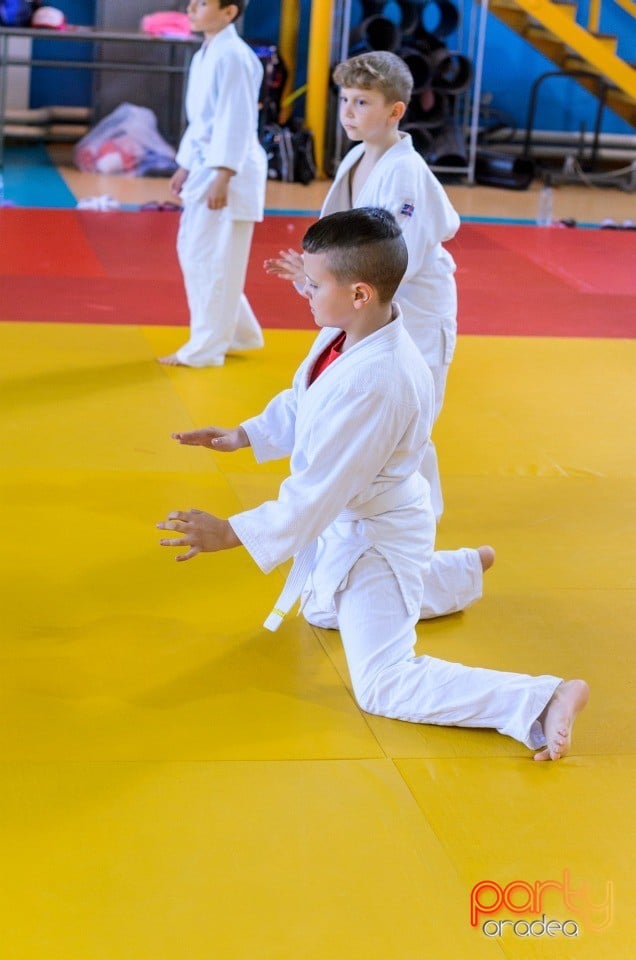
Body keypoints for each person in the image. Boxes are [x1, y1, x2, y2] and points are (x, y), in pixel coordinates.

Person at [157, 208, 588, 761]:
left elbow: (318, 492)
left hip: (378, 535)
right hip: (357, 520)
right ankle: (453, 573)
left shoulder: (379, 381)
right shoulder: (345, 335)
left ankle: (541, 697)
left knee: (382, 684)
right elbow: (305, 402)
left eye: (313, 284)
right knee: (320, 608)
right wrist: (244, 434)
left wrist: (231, 533)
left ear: (360, 293)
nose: (303, 292)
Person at [265, 51, 459, 520]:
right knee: (356, 407)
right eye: (345, 100)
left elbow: (397, 259)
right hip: (366, 300)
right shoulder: (358, 156)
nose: (349, 112)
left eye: (363, 102)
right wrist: (316, 277)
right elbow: (348, 243)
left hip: (412, 305)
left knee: (407, 422)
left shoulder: (404, 172)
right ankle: (365, 514)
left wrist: (325, 281)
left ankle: (415, 525)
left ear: (396, 111)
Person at [159, 0, 267, 368]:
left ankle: (206, 348)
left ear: (229, 12)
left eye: (203, 3)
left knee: (215, 259)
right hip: (207, 163)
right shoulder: (206, 53)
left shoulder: (234, 56)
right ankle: (238, 332)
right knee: (198, 253)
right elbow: (202, 121)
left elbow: (236, 118)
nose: (192, 8)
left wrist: (224, 173)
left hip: (230, 171)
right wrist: (186, 164)